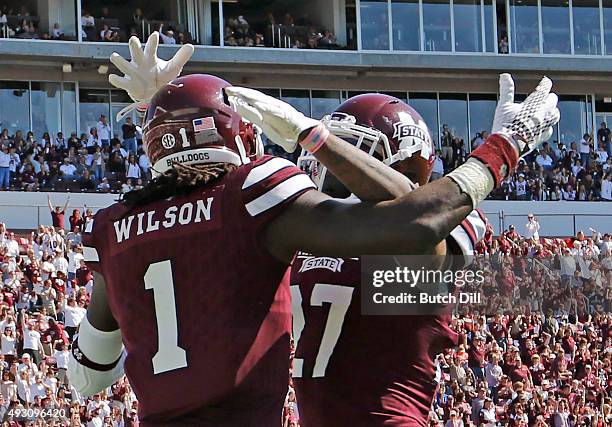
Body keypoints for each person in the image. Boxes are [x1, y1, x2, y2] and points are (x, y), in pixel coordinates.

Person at [91, 33, 558, 425]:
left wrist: (504, 149)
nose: (322, 163)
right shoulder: (302, 228)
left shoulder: (432, 237)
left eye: (348, 151)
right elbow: (217, 196)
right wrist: (177, 114)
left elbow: (421, 224)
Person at [290, 94, 488, 426]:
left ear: (405, 167)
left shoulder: (452, 224)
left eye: (354, 151)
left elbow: (424, 235)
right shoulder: (308, 229)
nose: (333, 163)